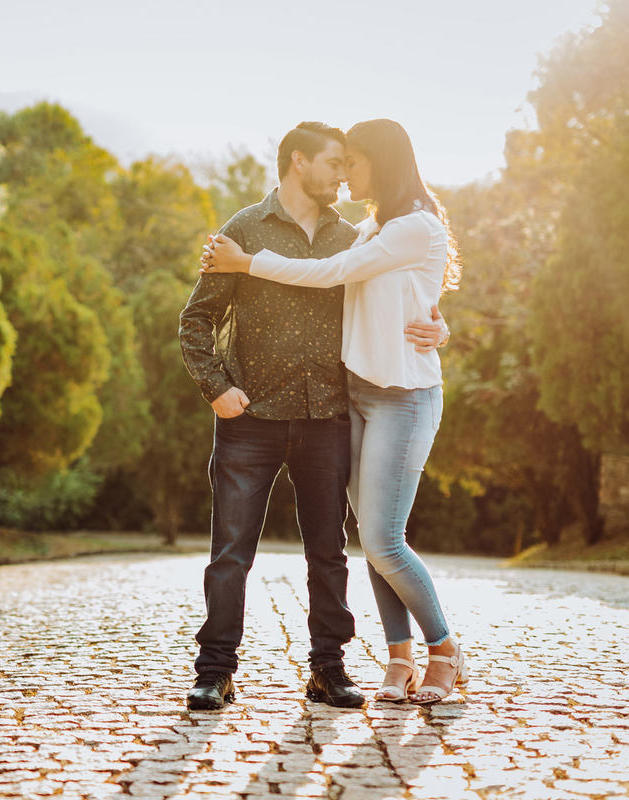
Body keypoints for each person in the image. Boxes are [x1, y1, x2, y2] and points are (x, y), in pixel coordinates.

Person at [178, 122, 448, 711]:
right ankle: (215, 671)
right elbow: (195, 320)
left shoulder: (351, 236)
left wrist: (438, 325)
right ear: (299, 162)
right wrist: (216, 388)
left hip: (328, 413)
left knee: (329, 554)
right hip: (251, 417)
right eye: (334, 163)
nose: (343, 175)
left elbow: (396, 292)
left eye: (350, 163)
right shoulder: (243, 230)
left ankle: (329, 669)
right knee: (230, 554)